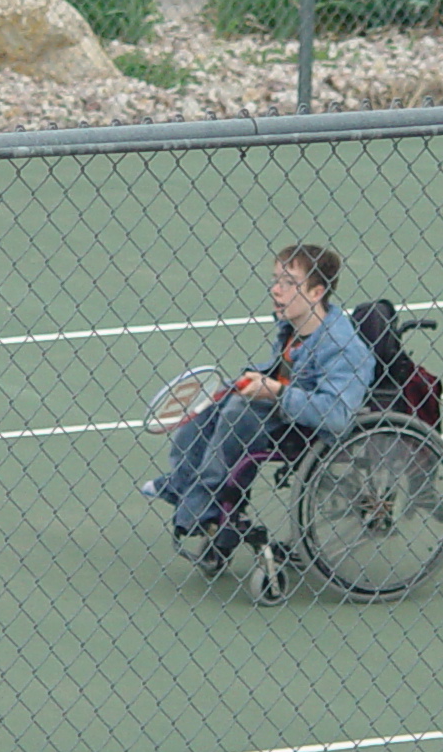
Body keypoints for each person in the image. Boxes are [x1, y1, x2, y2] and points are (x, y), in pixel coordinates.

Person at [143, 244, 371, 575]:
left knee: (238, 411)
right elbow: (282, 368)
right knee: (215, 403)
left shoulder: (343, 348)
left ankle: (202, 505)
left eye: (289, 282)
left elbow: (336, 415)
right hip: (282, 408)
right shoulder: (295, 326)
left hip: (305, 425)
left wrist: (277, 391)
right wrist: (259, 379)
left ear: (316, 292)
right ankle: (182, 483)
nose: (276, 289)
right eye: (275, 279)